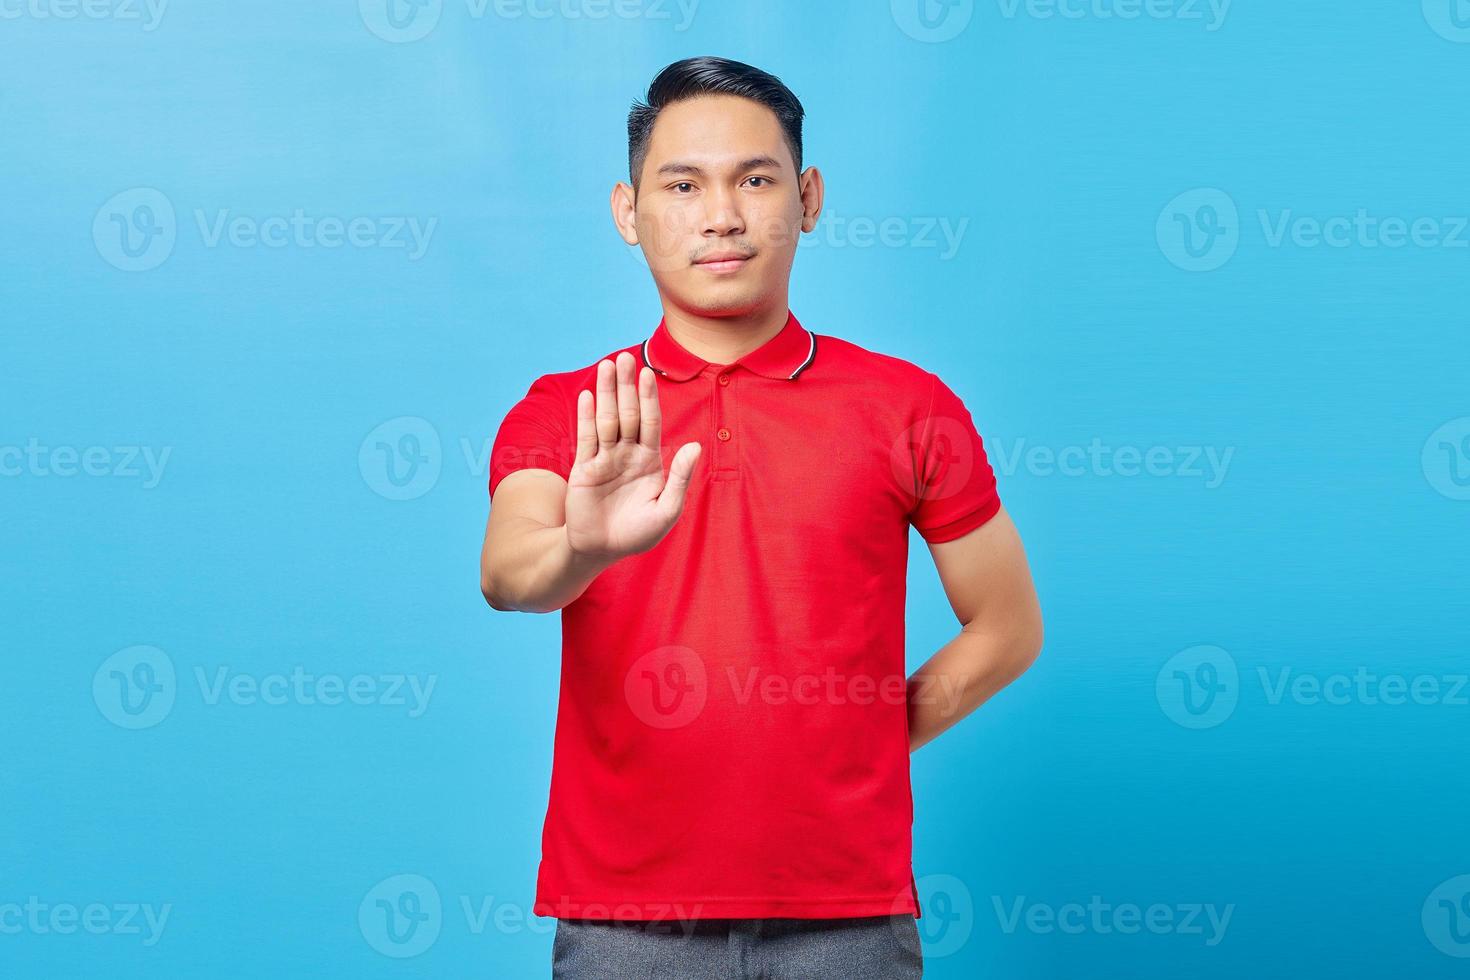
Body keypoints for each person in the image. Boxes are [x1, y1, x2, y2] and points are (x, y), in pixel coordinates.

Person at [479, 55, 1044, 979]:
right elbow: (508, 575)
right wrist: (582, 545)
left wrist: (865, 730)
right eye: (683, 183)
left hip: (848, 915)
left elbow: (1009, 625)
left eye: (755, 178)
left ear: (808, 196)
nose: (722, 215)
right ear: (629, 212)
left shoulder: (909, 407)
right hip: (627, 921)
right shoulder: (574, 409)